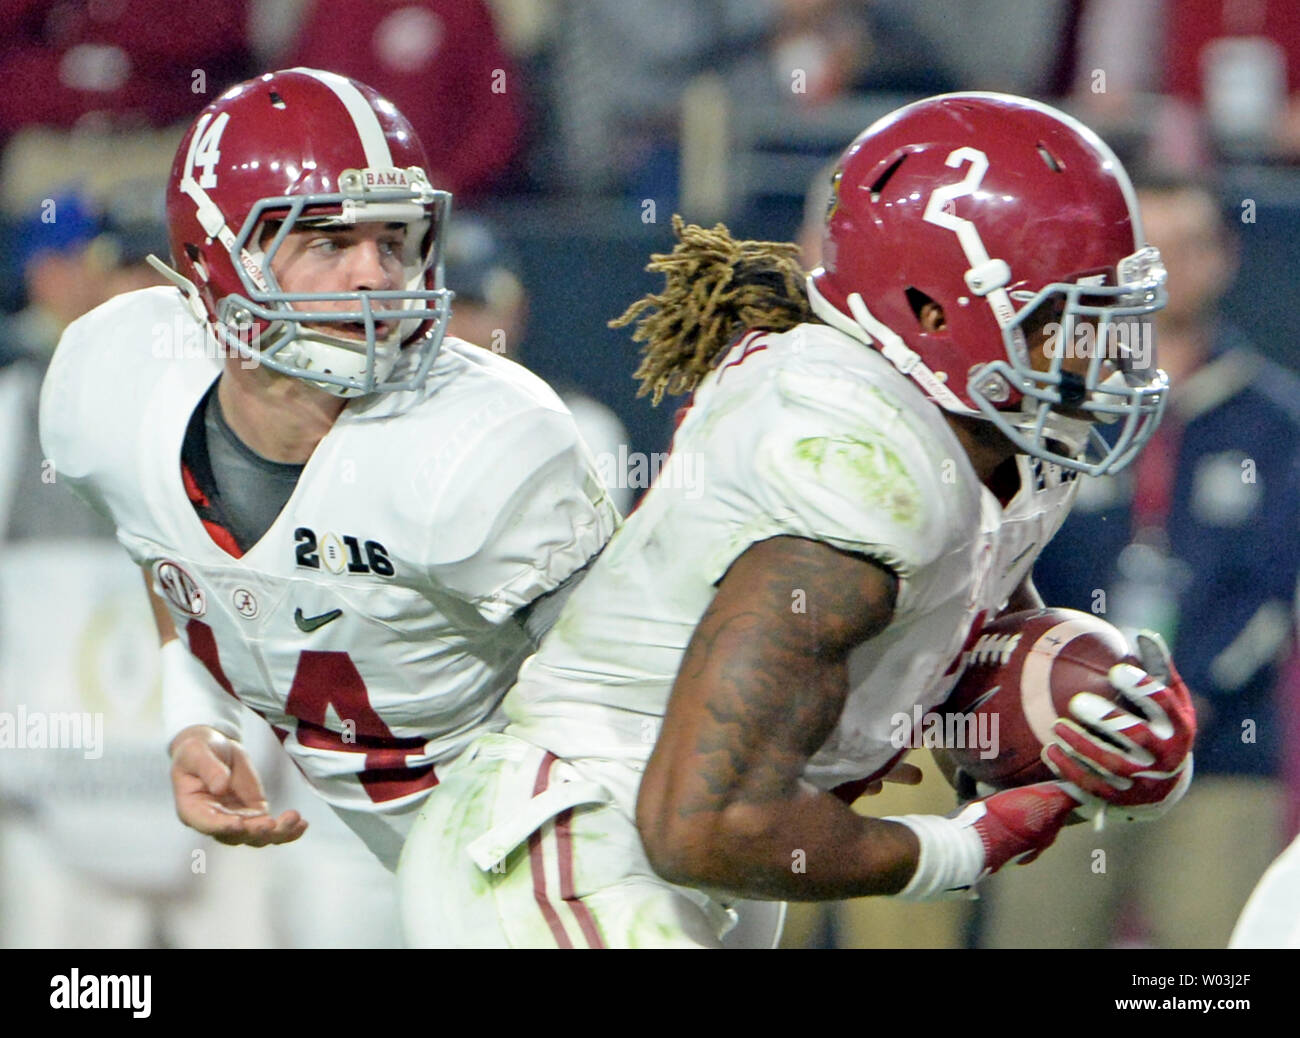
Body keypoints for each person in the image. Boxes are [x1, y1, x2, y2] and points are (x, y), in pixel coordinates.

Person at [397, 92, 1196, 948]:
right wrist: (971, 843)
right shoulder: (860, 463)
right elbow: (705, 824)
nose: (1097, 357)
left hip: (691, 859)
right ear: (932, 311)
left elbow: (961, 623)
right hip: (585, 835)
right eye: (1065, 322)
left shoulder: (999, 429)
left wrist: (1095, 720)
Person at [38, 67, 618, 878]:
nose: (375, 277)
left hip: (589, 854)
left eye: (394, 240)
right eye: (329, 241)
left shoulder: (482, 442)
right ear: (215, 264)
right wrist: (197, 713)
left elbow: (639, 697)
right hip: (408, 860)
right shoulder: (115, 380)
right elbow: (162, 536)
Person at [979, 172, 1300, 948]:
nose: (1169, 272)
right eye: (1147, 253)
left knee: (1212, 977)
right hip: (1059, 747)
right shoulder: (1052, 412)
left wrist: (1181, 704)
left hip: (1219, 754)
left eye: (1189, 247)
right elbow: (1007, 566)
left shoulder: (1275, 418)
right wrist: (1051, 692)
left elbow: (1276, 588)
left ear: (1226, 256)